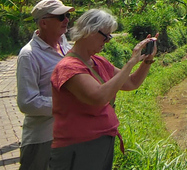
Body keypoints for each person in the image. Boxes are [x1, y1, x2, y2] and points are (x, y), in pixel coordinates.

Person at [49, 9, 157, 170]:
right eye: (105, 36)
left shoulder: (98, 61)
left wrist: (146, 62)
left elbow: (131, 83)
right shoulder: (68, 68)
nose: (107, 41)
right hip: (78, 147)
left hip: (101, 142)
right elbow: (98, 97)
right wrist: (130, 63)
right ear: (89, 31)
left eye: (110, 37)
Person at [16, 0, 75, 170]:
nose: (66, 20)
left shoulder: (65, 45)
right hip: (42, 138)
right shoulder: (29, 55)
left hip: (68, 134)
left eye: (67, 16)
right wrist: (68, 105)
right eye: (60, 17)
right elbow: (27, 103)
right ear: (43, 23)